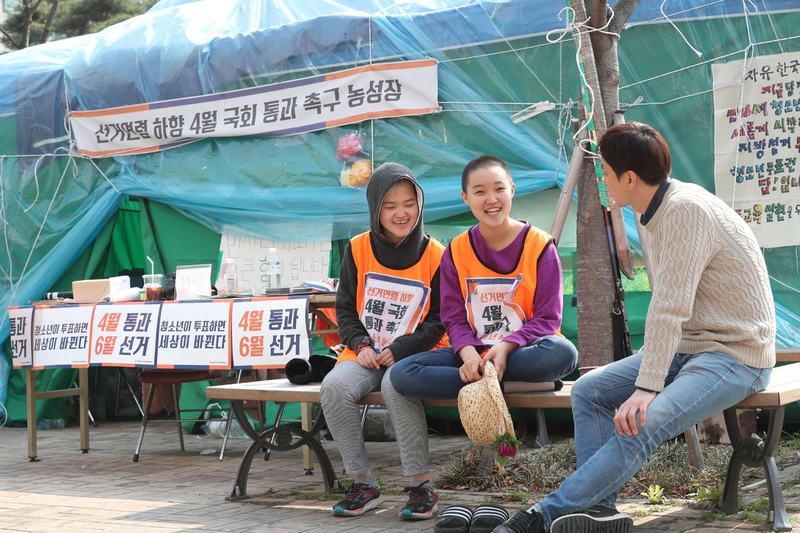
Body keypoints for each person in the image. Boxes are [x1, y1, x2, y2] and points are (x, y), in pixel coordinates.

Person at [493, 122, 776, 533]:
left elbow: (668, 307)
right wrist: (653, 369)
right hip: (689, 346)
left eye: (605, 172)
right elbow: (671, 304)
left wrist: (647, 387)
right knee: (590, 392)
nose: (602, 180)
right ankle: (599, 511)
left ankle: (542, 516)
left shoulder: (684, 209)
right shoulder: (647, 209)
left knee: (639, 424)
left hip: (735, 355)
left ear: (629, 177)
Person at [390, 155, 577, 402]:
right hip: (474, 354)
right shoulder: (455, 251)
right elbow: (453, 318)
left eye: (499, 189)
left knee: (562, 353)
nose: (491, 199)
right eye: (480, 192)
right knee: (403, 373)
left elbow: (548, 319)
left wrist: (505, 346)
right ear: (465, 197)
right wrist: (469, 356)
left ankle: (485, 383)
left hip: (522, 351)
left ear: (512, 190)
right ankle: (512, 385)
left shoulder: (541, 246)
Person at [319, 162, 447, 520]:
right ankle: (363, 482)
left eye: (408, 203)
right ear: (376, 209)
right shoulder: (358, 248)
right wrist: (360, 344)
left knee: (396, 385)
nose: (401, 213)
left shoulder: (438, 255)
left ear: (419, 204)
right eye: (389, 206)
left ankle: (422, 486)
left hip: (414, 354)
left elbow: (440, 319)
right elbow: (344, 308)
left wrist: (402, 349)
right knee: (333, 388)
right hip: (363, 353)